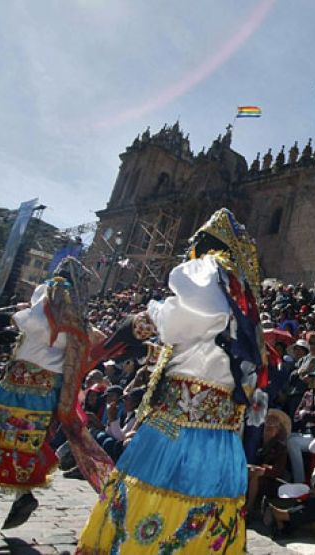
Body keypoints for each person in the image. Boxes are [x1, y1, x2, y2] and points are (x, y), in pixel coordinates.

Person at [77, 208, 263, 553]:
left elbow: (182, 322)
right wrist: (144, 351)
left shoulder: (210, 269)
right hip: (219, 437)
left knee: (147, 508)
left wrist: (151, 313)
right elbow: (199, 353)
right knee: (201, 517)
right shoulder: (241, 298)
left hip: (177, 430)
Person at [0, 258, 113, 547]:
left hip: (18, 384)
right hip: (49, 390)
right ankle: (22, 495)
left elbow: (33, 322)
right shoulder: (79, 317)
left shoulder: (49, 295)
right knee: (26, 445)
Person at [245, 409, 291, 516]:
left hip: (273, 480)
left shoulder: (281, 448)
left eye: (271, 428)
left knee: (255, 475)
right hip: (261, 473)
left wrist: (264, 470)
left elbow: (278, 471)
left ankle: (249, 508)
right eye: (266, 428)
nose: (267, 431)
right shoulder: (261, 444)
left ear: (277, 430)